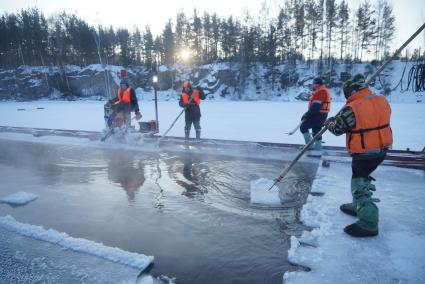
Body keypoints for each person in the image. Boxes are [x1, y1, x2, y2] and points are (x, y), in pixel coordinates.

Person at [325, 74, 393, 237]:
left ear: (351, 91)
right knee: (361, 177)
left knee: (359, 186)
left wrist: (329, 122)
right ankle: (357, 206)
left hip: (364, 152)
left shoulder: (352, 108)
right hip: (382, 148)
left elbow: (337, 129)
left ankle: (369, 224)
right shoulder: (381, 99)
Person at [300, 77, 331, 150]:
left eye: (313, 84)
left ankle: (309, 146)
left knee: (303, 127)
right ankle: (318, 147)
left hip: (318, 115)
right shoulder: (322, 91)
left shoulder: (321, 92)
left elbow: (316, 107)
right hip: (321, 114)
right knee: (316, 130)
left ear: (317, 84)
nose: (312, 85)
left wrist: (307, 115)